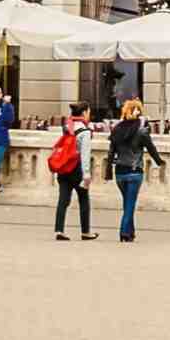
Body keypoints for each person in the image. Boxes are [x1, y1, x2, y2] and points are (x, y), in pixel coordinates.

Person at [108, 98, 166, 242]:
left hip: (120, 172)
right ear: (138, 112)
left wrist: (109, 168)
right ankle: (123, 232)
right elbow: (152, 149)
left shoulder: (116, 130)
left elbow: (111, 152)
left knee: (127, 202)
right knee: (130, 204)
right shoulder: (141, 132)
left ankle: (130, 232)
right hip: (135, 171)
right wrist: (159, 162)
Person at [52, 100, 98, 242]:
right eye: (89, 112)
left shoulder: (67, 126)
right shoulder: (84, 131)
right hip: (77, 169)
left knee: (63, 200)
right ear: (84, 113)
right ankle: (85, 232)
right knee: (84, 199)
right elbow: (85, 154)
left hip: (64, 167)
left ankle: (59, 230)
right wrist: (87, 174)